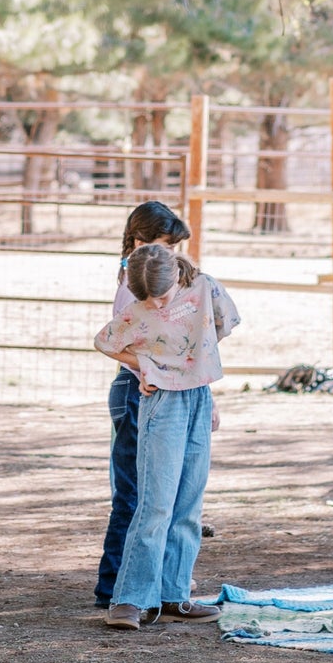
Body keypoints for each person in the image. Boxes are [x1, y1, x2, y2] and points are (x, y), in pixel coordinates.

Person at [95, 242, 240, 629]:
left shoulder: (206, 289)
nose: (157, 307)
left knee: (189, 502)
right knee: (156, 503)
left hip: (199, 397)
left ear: (177, 275)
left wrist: (194, 363)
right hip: (163, 403)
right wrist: (146, 365)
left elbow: (224, 325)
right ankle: (129, 599)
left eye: (161, 297)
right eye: (149, 300)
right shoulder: (140, 309)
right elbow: (105, 341)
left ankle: (175, 595)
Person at [95, 200, 193, 610]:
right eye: (165, 244)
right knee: (134, 495)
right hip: (138, 392)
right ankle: (116, 588)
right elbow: (120, 343)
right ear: (140, 242)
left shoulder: (143, 281)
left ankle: (129, 586)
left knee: (141, 493)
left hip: (145, 389)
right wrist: (150, 371)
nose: (172, 254)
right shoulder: (132, 291)